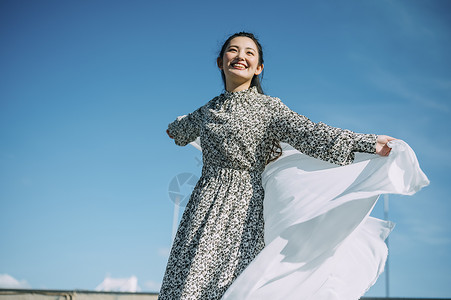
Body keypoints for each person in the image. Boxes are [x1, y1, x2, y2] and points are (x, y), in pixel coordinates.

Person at [159, 32, 396, 300]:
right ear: (220, 62)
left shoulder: (270, 108)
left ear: (259, 68)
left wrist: (366, 142)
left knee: (230, 283)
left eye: (250, 53)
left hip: (244, 207)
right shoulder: (207, 110)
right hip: (203, 204)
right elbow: (178, 132)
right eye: (233, 50)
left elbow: (311, 134)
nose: (240, 56)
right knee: (189, 281)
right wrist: (176, 128)